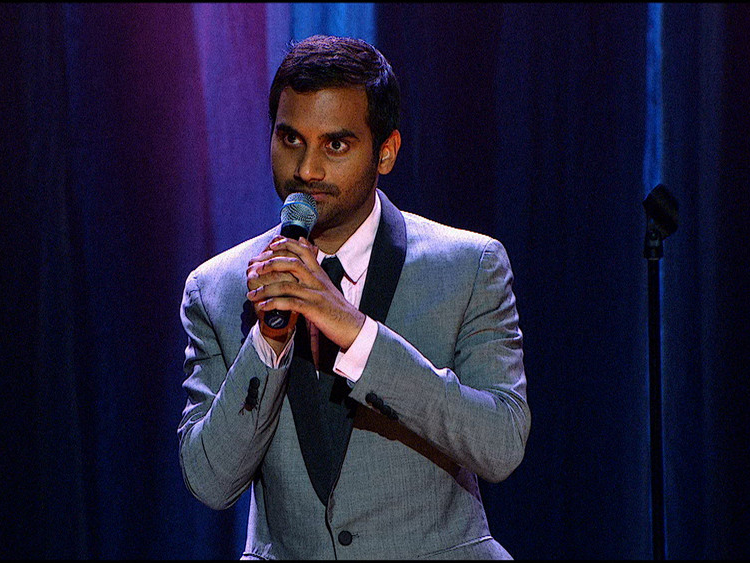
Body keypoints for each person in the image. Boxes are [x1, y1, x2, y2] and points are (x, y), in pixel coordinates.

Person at [178, 35, 530, 560]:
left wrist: (357, 333)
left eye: (335, 145)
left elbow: (500, 445)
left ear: (385, 151)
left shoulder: (468, 267)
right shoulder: (218, 289)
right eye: (290, 139)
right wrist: (267, 343)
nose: (307, 170)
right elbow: (210, 482)